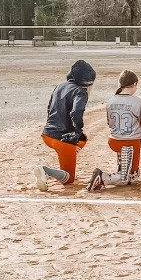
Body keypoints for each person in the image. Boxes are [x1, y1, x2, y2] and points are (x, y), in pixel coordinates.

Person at [34, 59, 96, 191]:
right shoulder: (81, 91)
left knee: (83, 138)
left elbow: (49, 107)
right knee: (69, 178)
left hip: (47, 135)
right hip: (62, 140)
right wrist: (77, 129)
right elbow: (76, 112)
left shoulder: (60, 86)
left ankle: (69, 154)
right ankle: (46, 171)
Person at [86, 69, 141, 191]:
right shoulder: (138, 102)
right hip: (130, 142)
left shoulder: (111, 101)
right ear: (134, 84)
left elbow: (110, 124)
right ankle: (102, 176)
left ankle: (122, 168)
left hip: (114, 141)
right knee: (128, 178)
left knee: (133, 175)